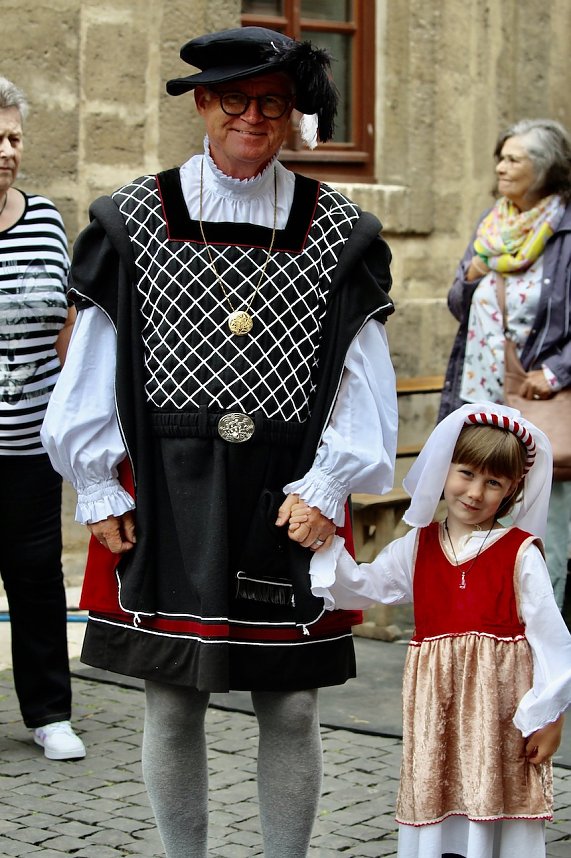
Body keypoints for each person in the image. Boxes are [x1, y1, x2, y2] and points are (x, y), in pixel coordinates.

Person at [40, 26, 397, 857]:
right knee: (172, 702)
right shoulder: (131, 219)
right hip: (170, 490)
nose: (252, 118)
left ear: (290, 117)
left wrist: (329, 486)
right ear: (202, 103)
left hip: (288, 494)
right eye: (234, 99)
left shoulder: (336, 229)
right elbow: (92, 369)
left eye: (272, 104)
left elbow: (359, 373)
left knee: (295, 702)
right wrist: (97, 486)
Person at [304, 402, 571, 858]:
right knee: (437, 786)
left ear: (511, 491)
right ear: (444, 469)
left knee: (495, 789)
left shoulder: (519, 553)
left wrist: (550, 717)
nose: (475, 492)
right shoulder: (419, 545)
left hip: (499, 710)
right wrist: (328, 546)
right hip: (437, 705)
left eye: (493, 483)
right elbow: (367, 585)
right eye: (466, 473)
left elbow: (551, 640)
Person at [438, 118, 571, 611]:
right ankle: (479, 627)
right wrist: (470, 278)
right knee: (475, 516)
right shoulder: (492, 226)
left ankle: (542, 645)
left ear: (546, 169)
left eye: (514, 159)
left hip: (539, 406)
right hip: (480, 401)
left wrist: (555, 372)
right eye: (501, 156)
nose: (502, 166)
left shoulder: (565, 234)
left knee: (540, 530)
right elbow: (459, 305)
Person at [0, 78, 84, 760]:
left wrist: (69, 415)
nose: (6, 151)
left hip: (30, 444)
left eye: (14, 138)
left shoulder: (46, 218)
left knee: (35, 574)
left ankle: (49, 713)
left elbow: (68, 321)